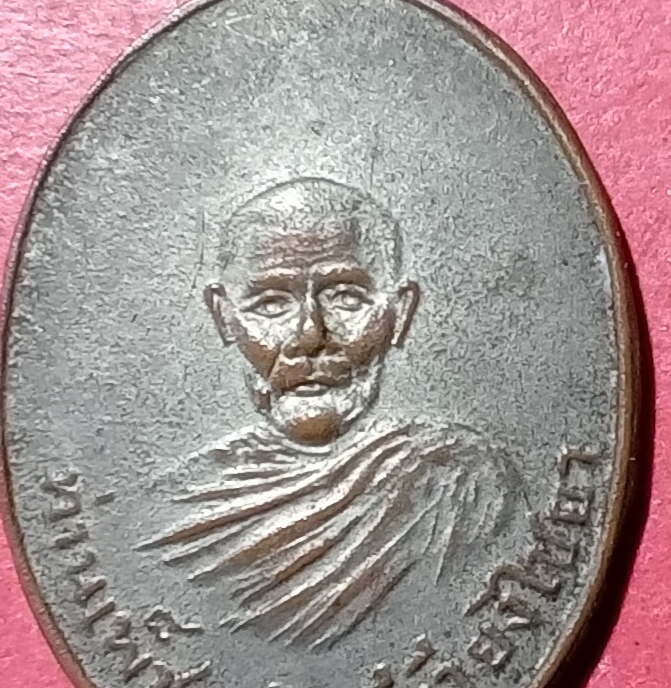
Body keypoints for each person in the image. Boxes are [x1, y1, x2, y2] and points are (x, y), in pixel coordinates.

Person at [141, 177, 522, 649]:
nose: (308, 335)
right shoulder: (171, 505)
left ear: (400, 312)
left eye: (346, 298)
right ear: (223, 316)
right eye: (270, 303)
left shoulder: (457, 481)